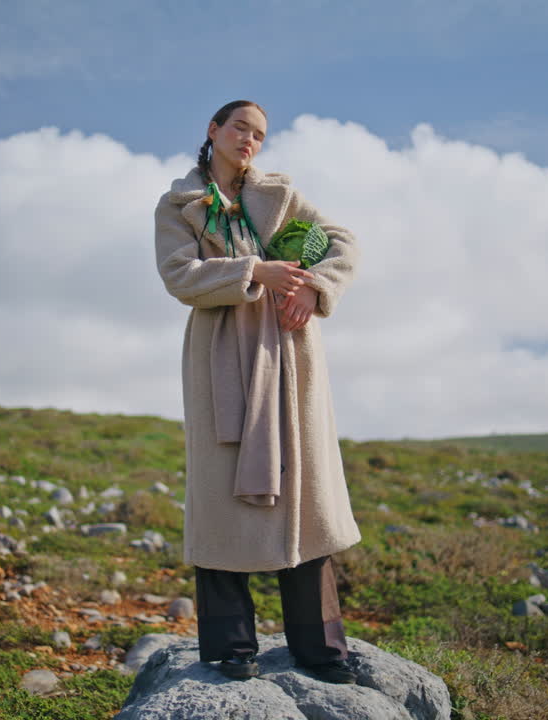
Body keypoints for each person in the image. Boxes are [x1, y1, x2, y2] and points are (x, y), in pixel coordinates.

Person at [153, 100, 361, 684]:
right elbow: (178, 275)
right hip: (219, 356)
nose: (249, 139)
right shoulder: (178, 205)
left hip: (290, 355)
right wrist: (255, 272)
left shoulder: (280, 196)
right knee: (220, 497)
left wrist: (313, 288)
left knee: (304, 496)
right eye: (240, 127)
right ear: (214, 130)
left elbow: (343, 242)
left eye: (260, 134)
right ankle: (231, 649)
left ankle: (321, 651)